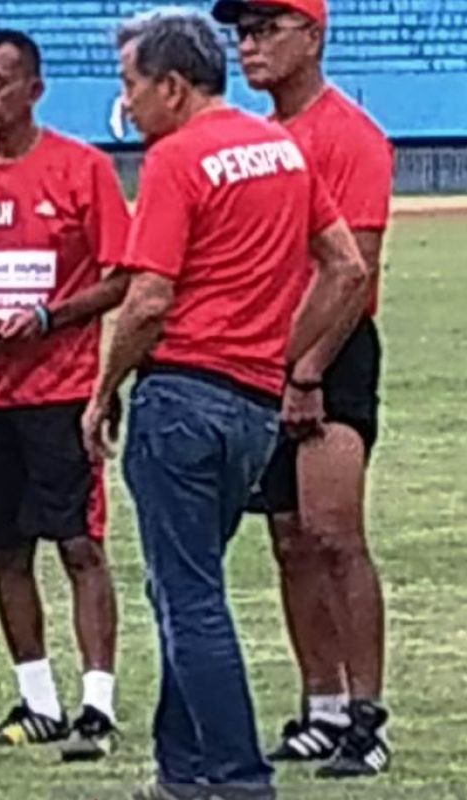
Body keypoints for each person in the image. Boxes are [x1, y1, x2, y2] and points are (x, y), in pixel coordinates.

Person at [81, 9, 368, 798]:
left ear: (172, 86)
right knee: (182, 587)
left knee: (190, 599)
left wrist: (103, 390)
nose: (126, 104)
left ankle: (238, 781)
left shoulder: (177, 160)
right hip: (250, 408)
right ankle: (180, 773)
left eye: (131, 85)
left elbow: (147, 301)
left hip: (181, 397)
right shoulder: (280, 147)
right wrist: (281, 356)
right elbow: (344, 267)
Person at [0, 28, 130, 759]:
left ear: (34, 89)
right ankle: (37, 700)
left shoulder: (82, 169)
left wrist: (47, 316)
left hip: (62, 390)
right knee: (4, 548)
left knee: (80, 542)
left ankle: (97, 705)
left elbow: (121, 276)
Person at [211, 0, 394, 777]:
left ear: (312, 35)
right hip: (265, 351)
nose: (248, 45)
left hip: (329, 353)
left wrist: (308, 367)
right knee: (286, 539)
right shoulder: (257, 140)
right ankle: (319, 706)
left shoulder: (348, 135)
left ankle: (367, 716)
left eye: (265, 29)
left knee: (333, 534)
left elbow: (357, 268)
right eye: (241, 33)